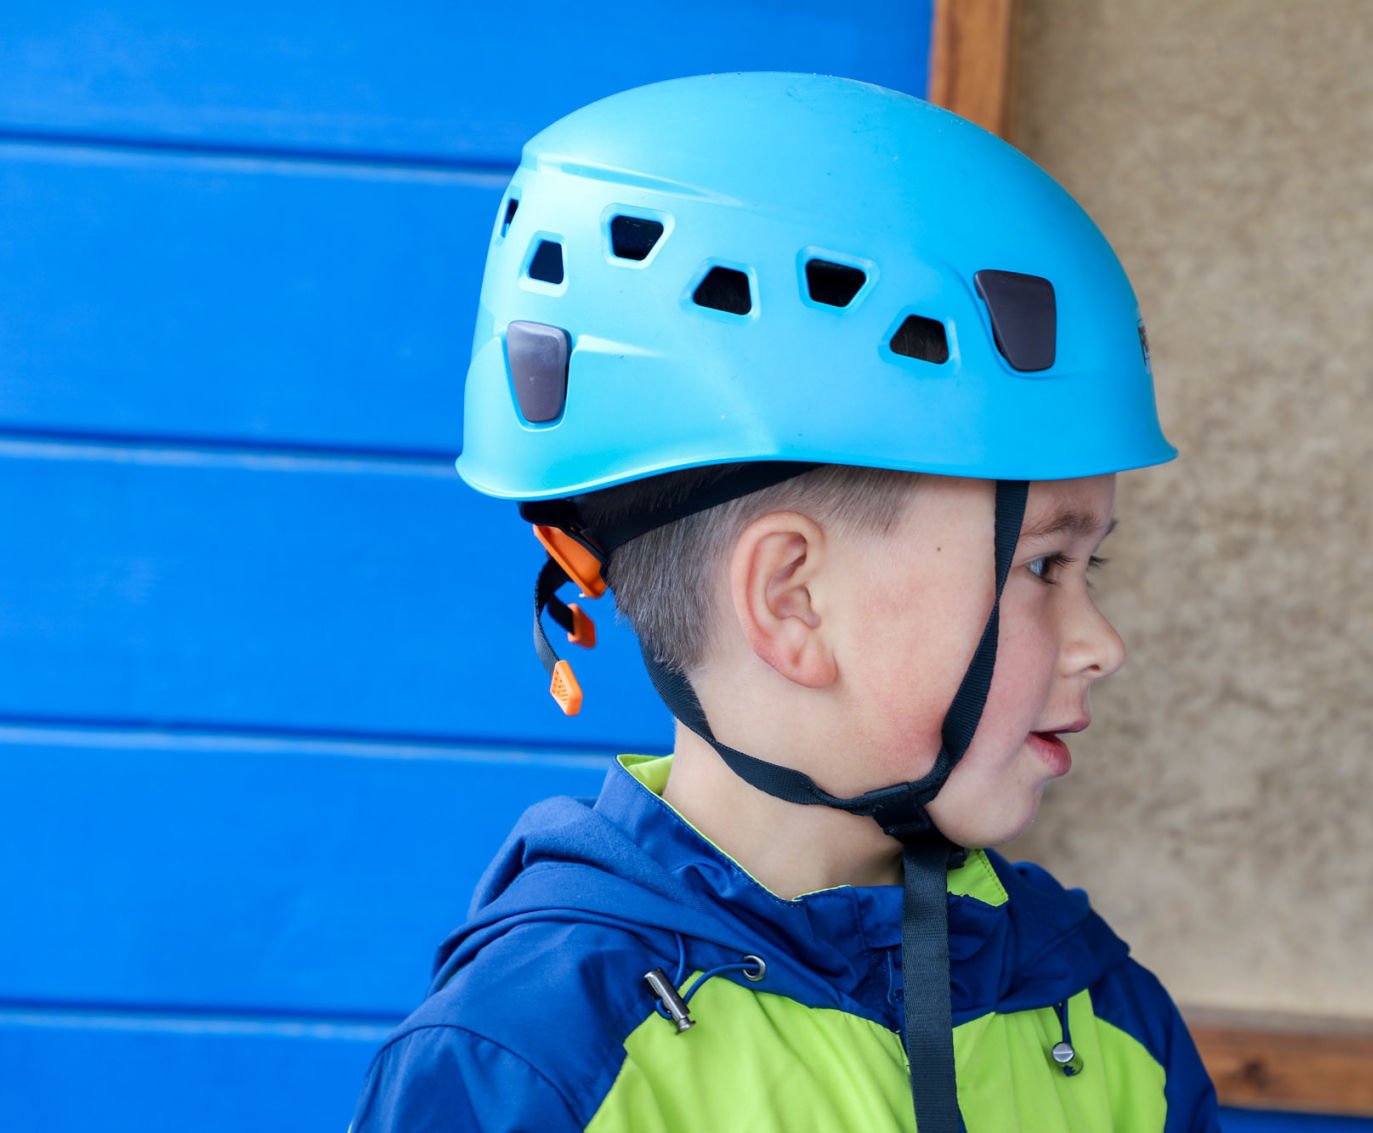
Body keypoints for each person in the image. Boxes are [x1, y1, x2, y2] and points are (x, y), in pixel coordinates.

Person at [350, 71, 1221, 1133]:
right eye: (1041, 566)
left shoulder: (1098, 1013)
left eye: (1092, 569)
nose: (1102, 644)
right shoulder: (537, 1067)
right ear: (792, 599)